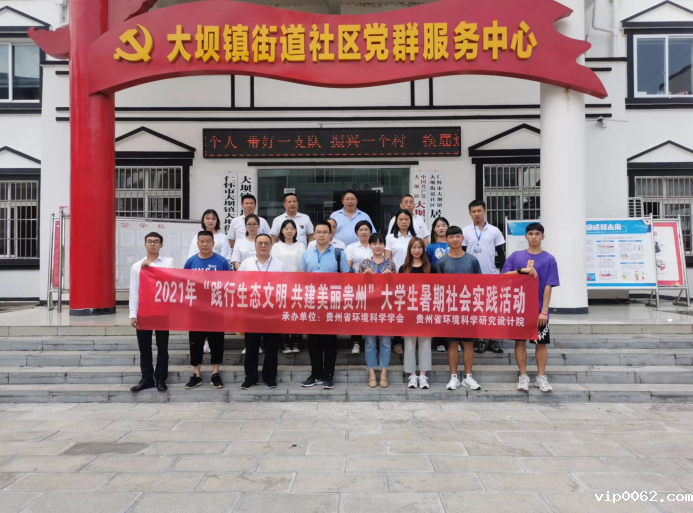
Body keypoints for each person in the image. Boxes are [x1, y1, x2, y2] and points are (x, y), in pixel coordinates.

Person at [502, 222, 559, 393]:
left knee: (541, 343)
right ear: (526, 236)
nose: (534, 237)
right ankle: (523, 376)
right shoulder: (516, 257)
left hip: (539, 309)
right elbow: (504, 276)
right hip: (519, 308)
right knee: (520, 342)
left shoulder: (549, 259)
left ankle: (541, 377)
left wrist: (544, 311)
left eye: (537, 234)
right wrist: (521, 271)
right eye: (531, 234)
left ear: (543, 236)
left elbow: (548, 285)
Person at [299, 220, 351, 390]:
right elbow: (302, 278)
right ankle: (316, 374)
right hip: (312, 303)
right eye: (318, 232)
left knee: (330, 341)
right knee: (313, 341)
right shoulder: (306, 254)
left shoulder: (339, 253)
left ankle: (328, 375)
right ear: (314, 235)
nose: (321, 235)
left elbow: (346, 278)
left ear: (330, 235)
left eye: (324, 232)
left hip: (331, 304)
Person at [183, 231, 232, 390]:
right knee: (195, 342)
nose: (205, 244)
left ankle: (215, 373)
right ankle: (196, 375)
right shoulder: (191, 262)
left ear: (213, 243)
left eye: (208, 241)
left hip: (216, 310)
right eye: (202, 241)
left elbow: (229, 284)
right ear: (197, 243)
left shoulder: (222, 262)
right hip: (196, 311)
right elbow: (185, 284)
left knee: (216, 341)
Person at [436, 226, 482, 391]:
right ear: (446, 240)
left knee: (468, 343)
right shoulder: (441, 262)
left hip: (469, 307)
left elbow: (479, 284)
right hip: (450, 308)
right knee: (452, 343)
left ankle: (468, 376)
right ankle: (454, 377)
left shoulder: (472, 260)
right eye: (451, 237)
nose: (455, 240)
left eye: (457, 236)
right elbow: (438, 287)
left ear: (462, 238)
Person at [129, 232, 174, 393]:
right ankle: (146, 378)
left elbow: (168, 278)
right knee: (144, 347)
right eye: (149, 241)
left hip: (162, 311)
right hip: (144, 311)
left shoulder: (168, 262)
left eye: (156, 241)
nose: (152, 244)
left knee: (162, 347)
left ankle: (161, 378)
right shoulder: (136, 266)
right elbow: (134, 291)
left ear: (161, 245)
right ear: (145, 245)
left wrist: (150, 268)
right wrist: (133, 314)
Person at [238, 234, 284, 389]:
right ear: (255, 246)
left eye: (266, 243)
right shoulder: (246, 264)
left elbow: (283, 286)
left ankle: (269, 377)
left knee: (271, 346)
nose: (263, 246)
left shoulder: (278, 264)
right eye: (260, 243)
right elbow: (239, 285)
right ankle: (250, 377)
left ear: (271, 246)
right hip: (251, 310)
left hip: (272, 310)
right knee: (251, 345)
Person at [463, 200, 507, 355]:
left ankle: (493, 339)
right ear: (470, 213)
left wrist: (502, 273)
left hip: (491, 275)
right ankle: (480, 339)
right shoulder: (465, 231)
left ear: (485, 211)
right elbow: (462, 253)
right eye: (473, 211)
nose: (476, 214)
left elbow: (500, 254)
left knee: (492, 309)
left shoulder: (494, 231)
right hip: (471, 277)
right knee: (477, 309)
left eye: (479, 211)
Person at [357, 233, 395, 387]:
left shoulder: (390, 264)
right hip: (370, 308)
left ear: (384, 245)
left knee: (385, 342)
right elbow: (357, 287)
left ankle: (384, 372)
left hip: (386, 307)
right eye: (374, 243)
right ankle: (372, 372)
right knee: (370, 342)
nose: (378, 246)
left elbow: (396, 288)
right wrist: (364, 277)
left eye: (380, 243)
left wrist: (391, 277)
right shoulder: (364, 264)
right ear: (370, 245)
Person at [399, 237, 435, 389]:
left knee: (425, 342)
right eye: (414, 247)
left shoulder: (431, 268)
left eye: (419, 247)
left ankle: (423, 375)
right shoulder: (403, 269)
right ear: (409, 249)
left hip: (425, 310)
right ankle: (412, 375)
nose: (417, 250)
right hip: (409, 311)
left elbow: (436, 290)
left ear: (423, 250)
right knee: (409, 343)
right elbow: (399, 290)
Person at [270, 219, 305, 353]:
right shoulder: (276, 246)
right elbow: (274, 265)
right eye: (286, 228)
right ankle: (284, 343)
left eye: (292, 228)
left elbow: (303, 265)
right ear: (282, 231)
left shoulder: (301, 246)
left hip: (297, 285)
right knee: (282, 314)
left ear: (296, 231)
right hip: (281, 284)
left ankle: (295, 343)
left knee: (297, 313)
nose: (289, 231)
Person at [385, 209, 415, 356]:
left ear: (410, 221)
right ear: (396, 222)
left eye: (406, 219)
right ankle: (397, 341)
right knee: (397, 310)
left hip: (413, 278)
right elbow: (388, 258)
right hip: (395, 278)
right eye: (401, 219)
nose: (403, 222)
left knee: (411, 309)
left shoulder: (415, 237)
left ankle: (411, 340)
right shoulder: (390, 237)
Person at [345, 220, 373, 355]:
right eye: (361, 230)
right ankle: (356, 342)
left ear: (370, 231)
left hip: (375, 286)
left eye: (366, 229)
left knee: (372, 313)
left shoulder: (376, 245)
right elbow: (348, 266)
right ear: (357, 232)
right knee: (356, 314)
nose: (363, 232)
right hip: (357, 285)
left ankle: (371, 341)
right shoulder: (351, 247)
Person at [426, 216, 451, 353]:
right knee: (438, 314)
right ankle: (439, 341)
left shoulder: (453, 244)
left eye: (443, 225)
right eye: (438, 226)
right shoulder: (430, 247)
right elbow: (427, 265)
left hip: (453, 285)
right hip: (436, 285)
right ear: (434, 230)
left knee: (452, 313)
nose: (441, 228)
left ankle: (453, 341)